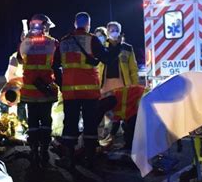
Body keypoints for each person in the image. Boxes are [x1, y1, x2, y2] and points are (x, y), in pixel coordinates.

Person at [54, 12, 121, 169]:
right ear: (88, 24)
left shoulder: (64, 41)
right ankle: (90, 159)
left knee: (70, 125)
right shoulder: (92, 40)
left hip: (70, 92)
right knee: (90, 125)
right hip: (90, 92)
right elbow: (107, 59)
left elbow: (55, 65)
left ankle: (68, 159)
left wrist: (61, 84)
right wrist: (116, 46)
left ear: (75, 24)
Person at [19, 14, 59, 167]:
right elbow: (56, 62)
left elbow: (20, 58)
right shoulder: (52, 42)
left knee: (33, 123)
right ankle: (44, 150)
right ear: (44, 26)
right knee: (46, 121)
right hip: (45, 90)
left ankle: (34, 150)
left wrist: (25, 39)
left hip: (30, 91)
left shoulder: (25, 42)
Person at [98, 21, 139, 148]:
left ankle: (127, 143)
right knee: (101, 116)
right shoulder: (101, 46)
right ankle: (100, 141)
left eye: (116, 30)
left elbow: (133, 69)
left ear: (120, 32)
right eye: (111, 30)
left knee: (126, 115)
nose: (113, 32)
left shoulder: (127, 48)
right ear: (107, 31)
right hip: (104, 86)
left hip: (123, 86)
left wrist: (135, 87)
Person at [0, 52, 27, 123]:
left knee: (21, 109)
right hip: (16, 85)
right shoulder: (15, 58)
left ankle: (24, 124)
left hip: (22, 87)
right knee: (4, 113)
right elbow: (10, 75)